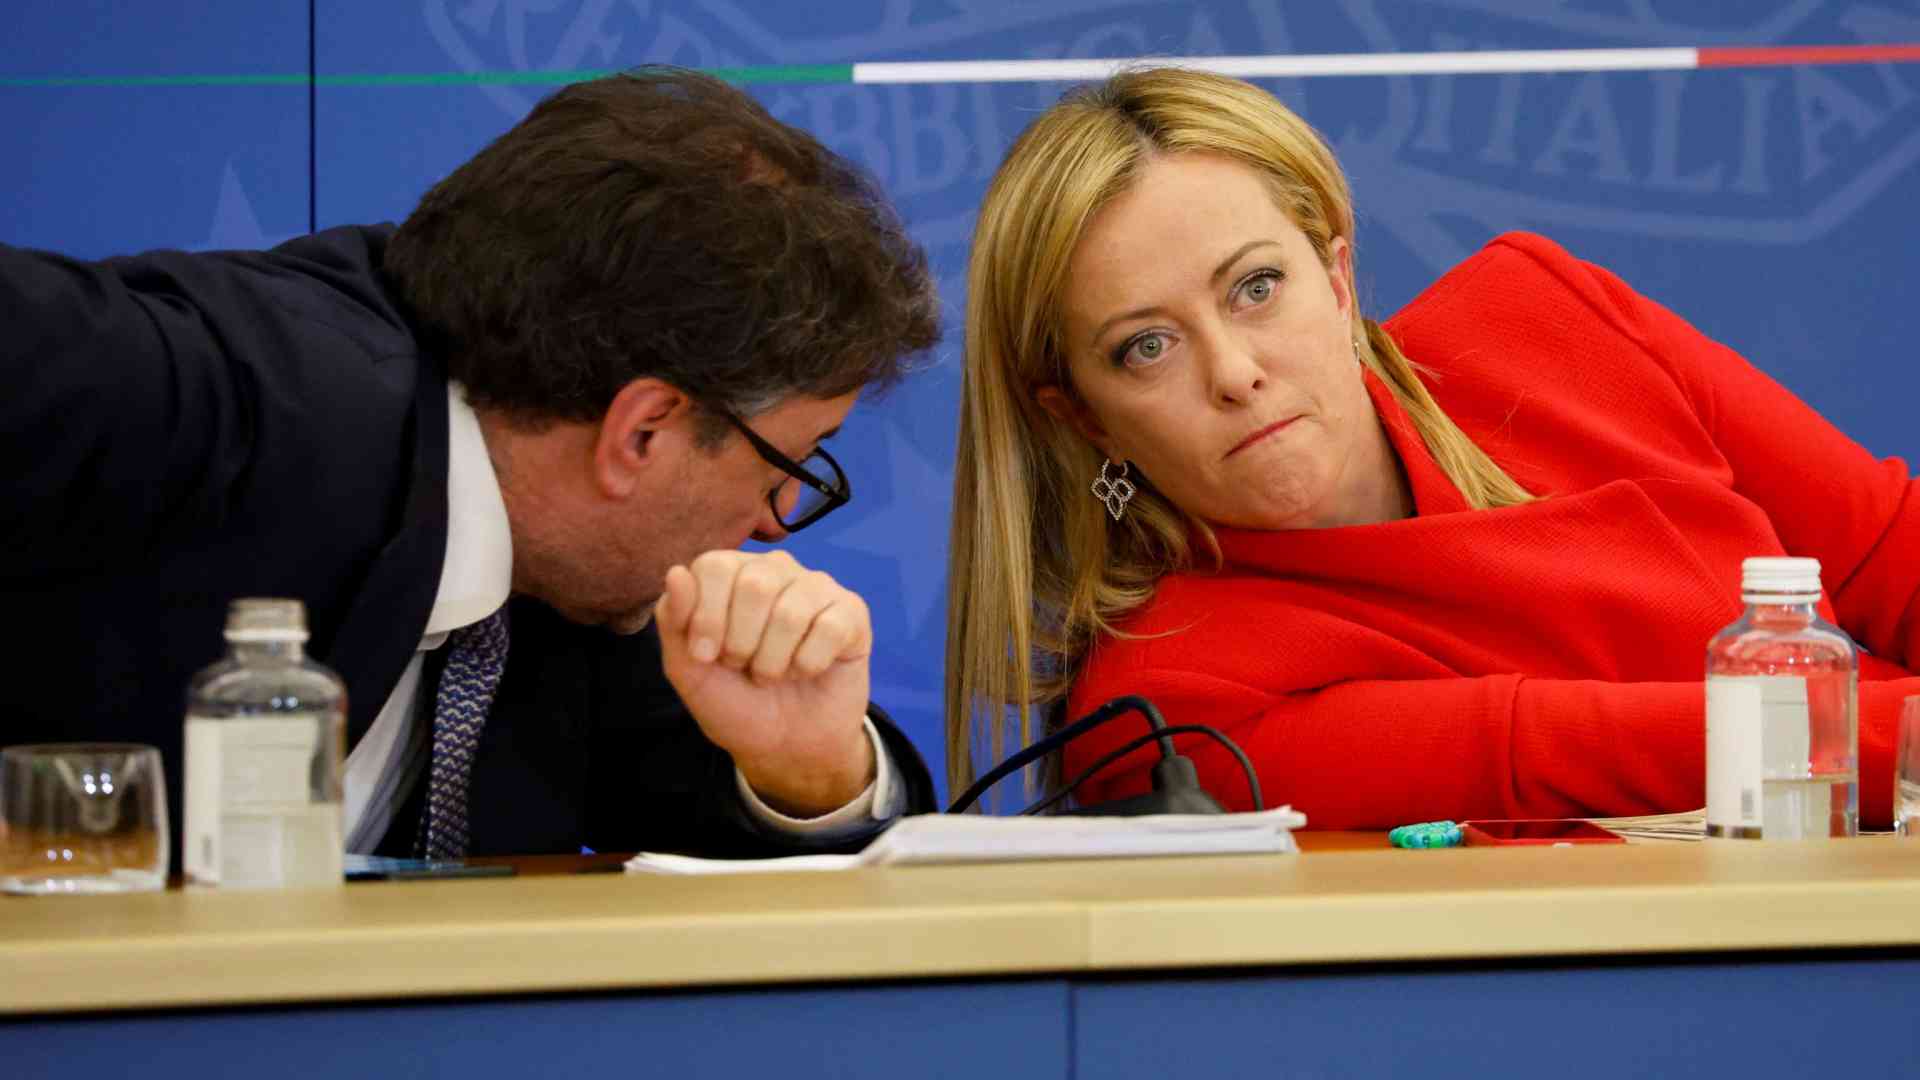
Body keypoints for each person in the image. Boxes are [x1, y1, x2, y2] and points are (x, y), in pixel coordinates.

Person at [2, 67, 943, 862]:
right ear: (643, 433)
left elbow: (724, 826)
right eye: (788, 462)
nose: (778, 520)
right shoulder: (239, 393)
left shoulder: (585, 582)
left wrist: (809, 773)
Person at [946, 67, 1920, 828]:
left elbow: (1892, 553)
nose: (1234, 372)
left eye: (1256, 288)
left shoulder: (1546, 314)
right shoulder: (1168, 705)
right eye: (1146, 347)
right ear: (1086, 419)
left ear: (1337, 277)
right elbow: (1622, 748)